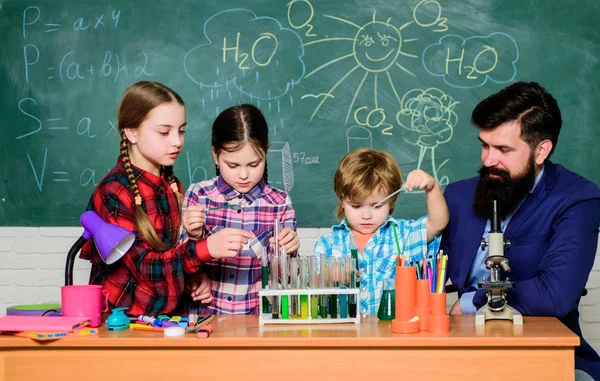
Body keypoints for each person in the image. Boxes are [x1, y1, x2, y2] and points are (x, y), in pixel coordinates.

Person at [440, 81, 600, 380]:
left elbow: (555, 295)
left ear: (541, 151)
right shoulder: (457, 196)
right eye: (484, 145)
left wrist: (470, 301)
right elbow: (423, 269)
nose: (488, 160)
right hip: (465, 349)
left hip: (544, 352)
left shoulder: (578, 198)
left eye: (503, 149)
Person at [80, 81, 251, 316]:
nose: (177, 141)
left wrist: (193, 279)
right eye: (164, 132)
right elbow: (145, 267)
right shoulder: (115, 191)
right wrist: (206, 248)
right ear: (131, 132)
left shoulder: (173, 186)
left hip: (167, 320)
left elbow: (172, 259)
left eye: (181, 130)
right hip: (124, 323)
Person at [179, 104, 299, 314]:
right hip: (206, 317)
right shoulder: (199, 195)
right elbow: (176, 266)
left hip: (259, 319)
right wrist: (194, 238)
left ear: (266, 152)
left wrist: (290, 251)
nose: (244, 175)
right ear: (215, 156)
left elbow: (286, 278)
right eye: (233, 166)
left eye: (254, 164)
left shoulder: (279, 203)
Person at [314, 148, 449, 315]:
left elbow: (438, 223)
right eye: (356, 206)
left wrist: (432, 187)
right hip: (344, 335)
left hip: (394, 335)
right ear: (342, 200)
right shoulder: (328, 244)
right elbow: (312, 284)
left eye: (377, 205)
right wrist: (328, 275)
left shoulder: (403, 235)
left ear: (391, 201)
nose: (366, 215)